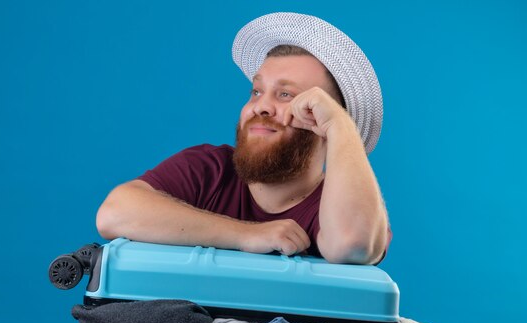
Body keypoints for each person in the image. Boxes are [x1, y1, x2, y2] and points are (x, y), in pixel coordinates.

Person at [96, 12, 390, 264]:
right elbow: (115, 213)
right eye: (257, 91)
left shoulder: (348, 203)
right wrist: (247, 234)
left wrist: (341, 124)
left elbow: (353, 245)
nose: (260, 105)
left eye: (286, 94)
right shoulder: (210, 168)